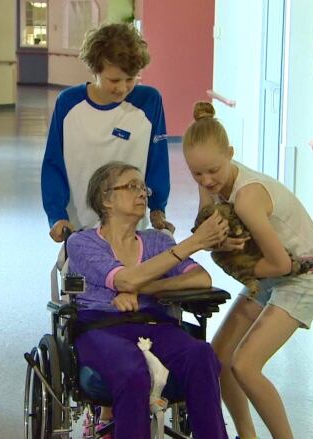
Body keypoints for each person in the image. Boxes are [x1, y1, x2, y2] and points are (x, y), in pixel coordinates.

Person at [181, 102, 313, 439]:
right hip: (270, 273)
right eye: (197, 174)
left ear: (231, 154)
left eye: (213, 171)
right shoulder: (210, 184)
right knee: (218, 358)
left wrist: (235, 261)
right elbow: (207, 231)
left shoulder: (247, 198)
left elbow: (279, 264)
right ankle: (246, 435)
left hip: (301, 275)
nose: (206, 181)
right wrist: (221, 247)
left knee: (245, 366)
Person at [66, 161, 230, 439]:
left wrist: (146, 289)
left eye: (144, 187)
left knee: (202, 355)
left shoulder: (157, 242)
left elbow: (200, 278)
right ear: (106, 199)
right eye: (132, 186)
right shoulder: (83, 243)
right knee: (132, 370)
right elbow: (125, 280)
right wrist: (193, 242)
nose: (143, 193)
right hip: (101, 327)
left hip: (155, 324)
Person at [41, 22, 174, 243]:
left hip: (132, 229)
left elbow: (157, 161)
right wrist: (56, 216)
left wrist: (158, 208)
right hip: (80, 228)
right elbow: (54, 165)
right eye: (114, 80)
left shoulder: (150, 101)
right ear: (95, 70)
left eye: (130, 79)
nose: (122, 88)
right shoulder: (68, 103)